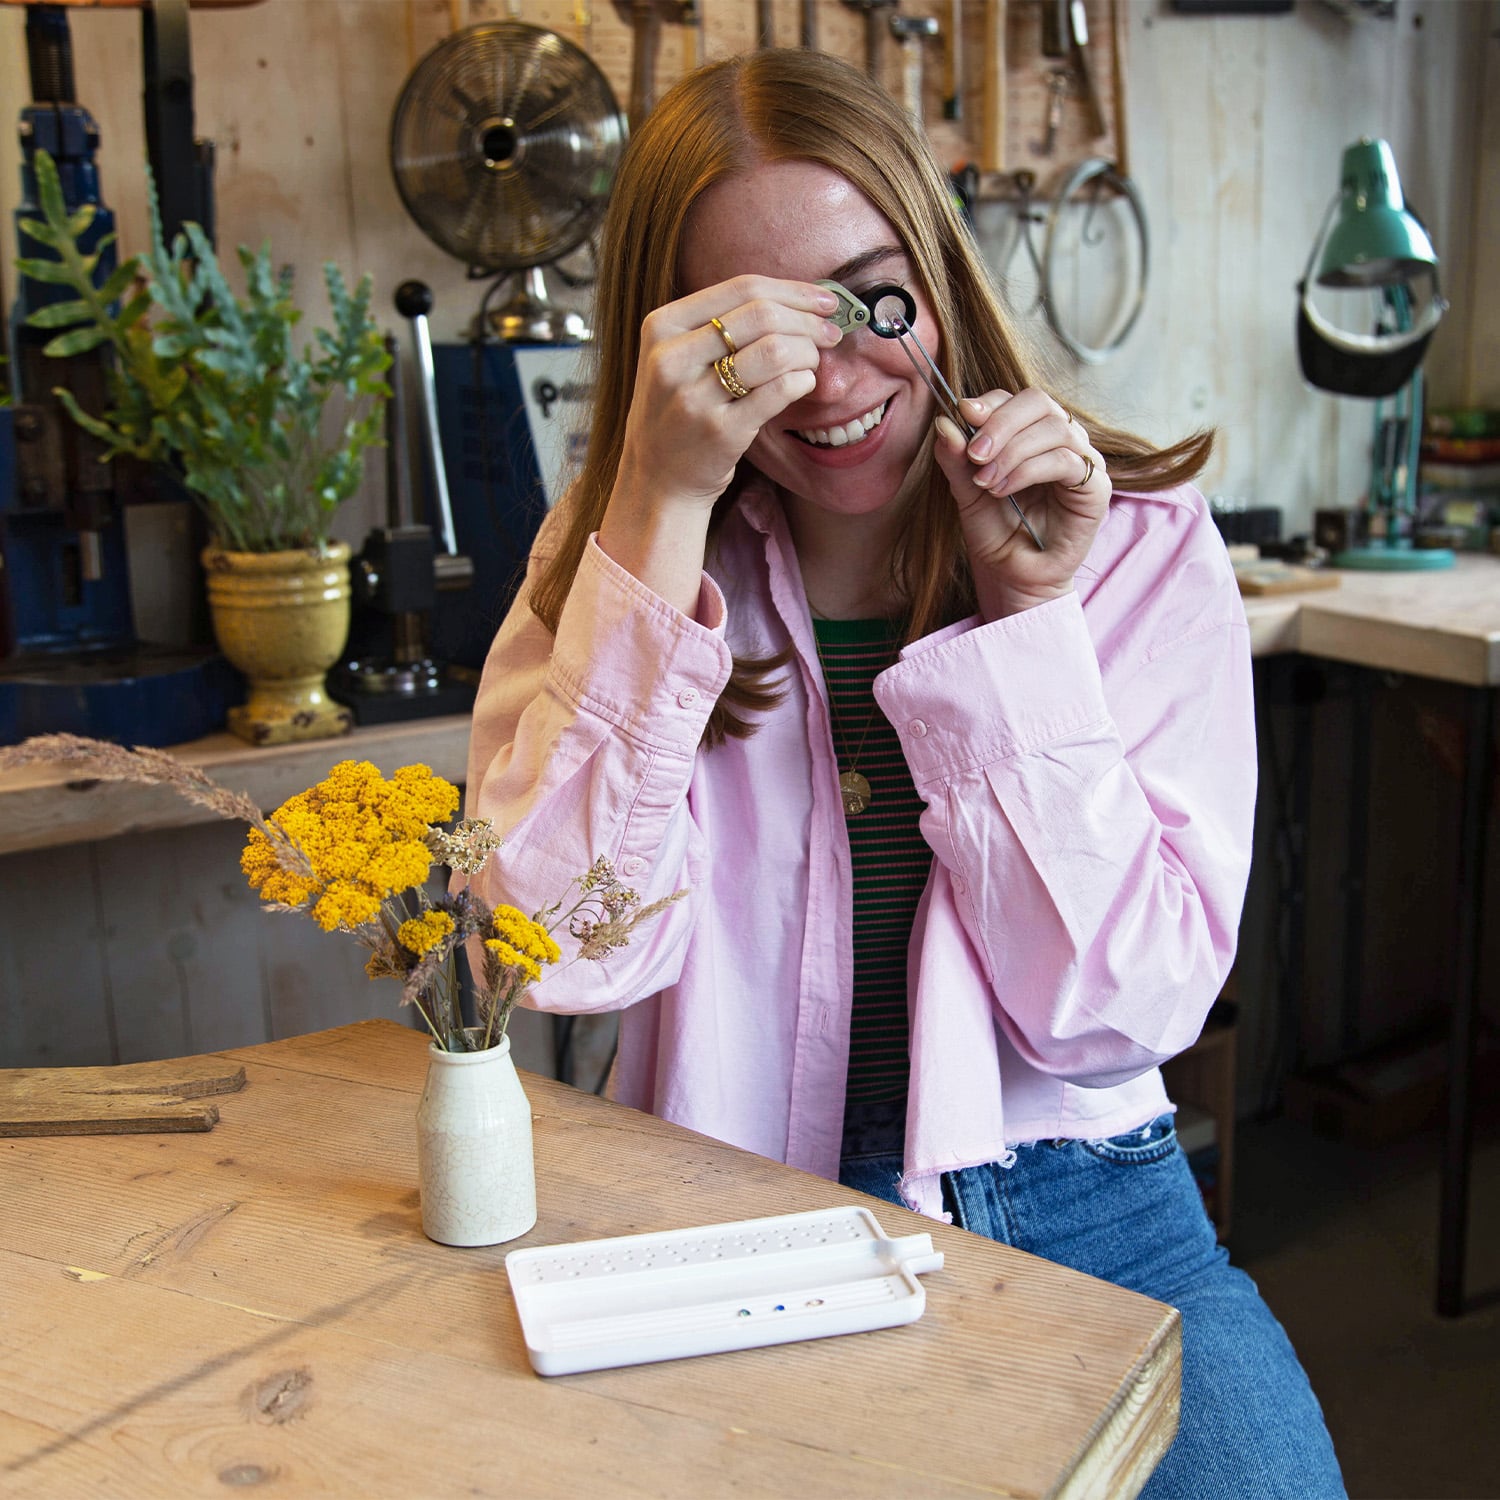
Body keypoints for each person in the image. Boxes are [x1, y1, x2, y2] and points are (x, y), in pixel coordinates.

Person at [464, 48, 1344, 1499]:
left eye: (874, 302)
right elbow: (555, 950)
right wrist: (656, 508)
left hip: (1084, 1197)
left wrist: (1027, 629)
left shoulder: (1134, 547)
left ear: (936, 277)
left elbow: (1123, 1009)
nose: (833, 387)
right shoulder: (616, 556)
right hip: (723, 1196)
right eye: (755, 341)